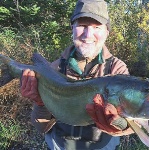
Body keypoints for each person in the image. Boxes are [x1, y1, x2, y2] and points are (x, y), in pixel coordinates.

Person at [20, 0, 134, 149]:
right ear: (72, 28)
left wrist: (119, 123)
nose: (88, 35)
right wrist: (41, 103)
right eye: (82, 26)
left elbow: (135, 125)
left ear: (107, 32)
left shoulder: (116, 69)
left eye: (96, 27)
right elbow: (41, 127)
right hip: (60, 145)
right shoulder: (54, 69)